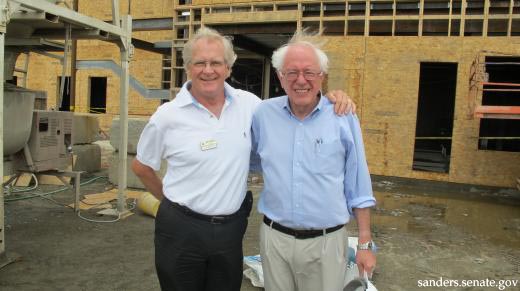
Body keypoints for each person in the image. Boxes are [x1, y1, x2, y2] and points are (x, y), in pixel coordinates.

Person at [131, 27, 355, 291]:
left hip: (229, 230)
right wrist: (169, 205)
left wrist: (330, 99)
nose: (208, 70)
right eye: (200, 63)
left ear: (228, 68)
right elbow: (141, 166)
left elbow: (291, 107)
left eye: (216, 63)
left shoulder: (249, 106)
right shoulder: (167, 116)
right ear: (188, 67)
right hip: (180, 230)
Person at [251, 30, 377, 291]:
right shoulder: (263, 115)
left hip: (326, 243)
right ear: (280, 77)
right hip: (275, 240)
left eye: (309, 72)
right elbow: (246, 160)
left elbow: (358, 185)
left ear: (322, 77)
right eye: (292, 73)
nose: (301, 80)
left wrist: (364, 244)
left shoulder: (343, 117)